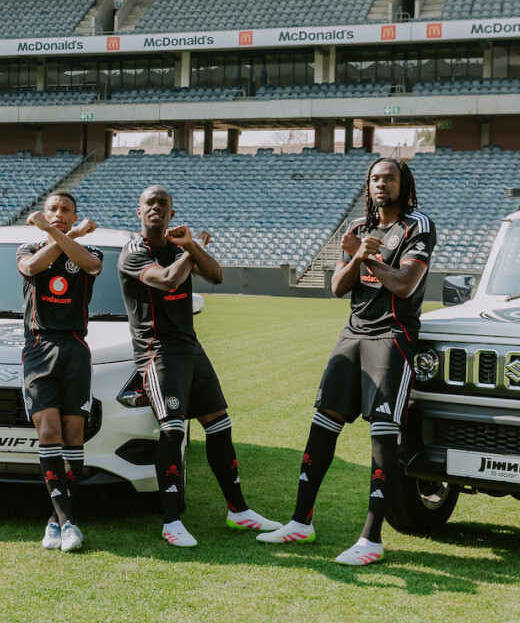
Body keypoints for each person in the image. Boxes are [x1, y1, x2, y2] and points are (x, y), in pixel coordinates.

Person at [259, 156, 435, 566]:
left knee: (382, 434)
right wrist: (357, 256)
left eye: (389, 178)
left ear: (403, 184)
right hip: (353, 333)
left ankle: (371, 539)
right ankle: (300, 521)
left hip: (392, 336)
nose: (381, 184)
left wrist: (368, 259)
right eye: (375, 178)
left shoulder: (417, 225)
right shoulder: (357, 228)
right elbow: (339, 287)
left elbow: (406, 285)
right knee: (323, 424)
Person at [117, 185, 278, 547]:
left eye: (163, 203)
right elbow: (168, 280)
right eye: (149, 203)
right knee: (173, 430)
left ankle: (238, 511)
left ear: (172, 213)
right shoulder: (132, 252)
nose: (156, 207)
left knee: (219, 424)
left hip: (189, 346)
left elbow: (217, 276)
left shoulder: (179, 247)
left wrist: (191, 246)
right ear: (138, 212)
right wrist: (193, 247)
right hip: (157, 352)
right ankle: (171, 522)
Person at [17, 192, 102, 553]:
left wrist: (73, 237)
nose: (58, 214)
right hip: (38, 347)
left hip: (75, 348)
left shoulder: (90, 251)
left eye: (66, 210)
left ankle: (55, 522)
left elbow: (90, 265)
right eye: (53, 209)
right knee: (49, 432)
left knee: (74, 434)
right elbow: (33, 268)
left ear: (75, 215)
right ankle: (68, 524)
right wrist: (67, 234)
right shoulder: (27, 247)